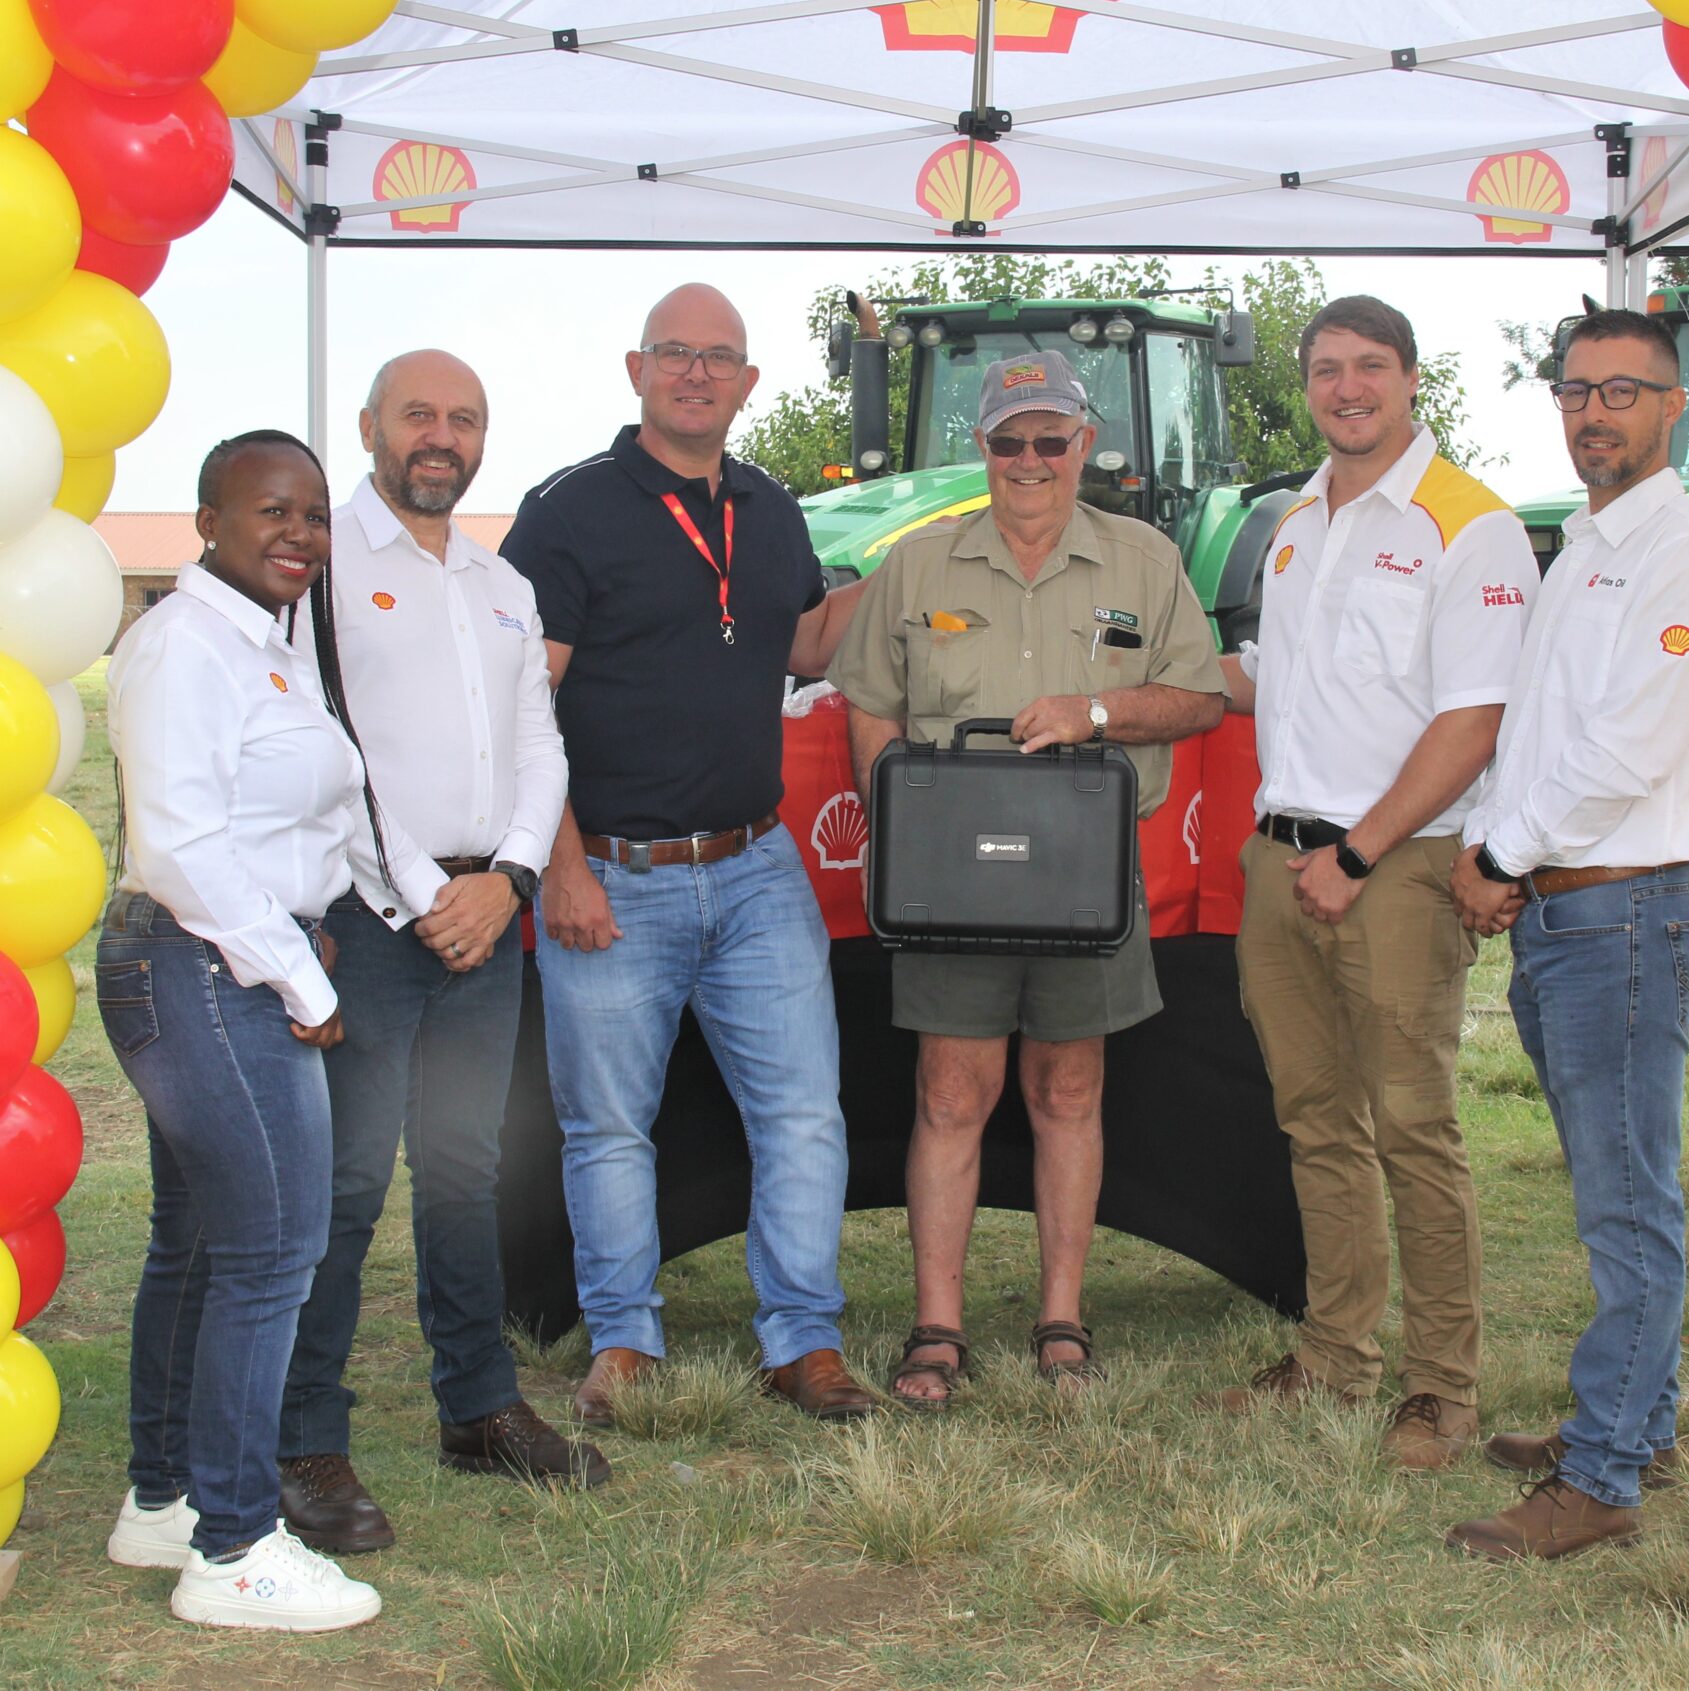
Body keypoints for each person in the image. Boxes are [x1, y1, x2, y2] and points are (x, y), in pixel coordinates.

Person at [96, 430, 457, 1631]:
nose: (299, 535)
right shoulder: (181, 645)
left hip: (226, 961)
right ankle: (237, 1549)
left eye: (312, 515)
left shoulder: (269, 646)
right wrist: (303, 981)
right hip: (203, 967)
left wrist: (431, 902)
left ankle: (165, 1501)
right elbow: (178, 848)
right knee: (271, 1257)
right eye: (271, 511)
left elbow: (339, 814)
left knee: (202, 1247)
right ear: (208, 522)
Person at [498, 284, 875, 1425]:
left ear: (749, 383)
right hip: (612, 875)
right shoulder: (566, 511)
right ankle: (624, 1341)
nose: (696, 373)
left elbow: (802, 641)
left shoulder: (770, 507)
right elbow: (519, 707)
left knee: (804, 1116)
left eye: (719, 357)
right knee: (610, 1129)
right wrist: (561, 867)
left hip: (758, 869)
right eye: (675, 353)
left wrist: (914, 568)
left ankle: (803, 1343)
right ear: (637, 370)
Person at [828, 350, 1225, 1408]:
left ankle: (1061, 1319)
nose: (1031, 459)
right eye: (1010, 440)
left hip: (1083, 877)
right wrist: (897, 827)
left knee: (1068, 1091)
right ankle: (937, 1327)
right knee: (949, 1095)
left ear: (1085, 443)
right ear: (984, 447)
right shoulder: (918, 565)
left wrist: (1098, 713)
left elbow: (1199, 698)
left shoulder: (1145, 561)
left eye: (1052, 437)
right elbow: (869, 699)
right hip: (951, 883)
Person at [273, 351, 601, 1561]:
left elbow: (540, 745)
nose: (441, 437)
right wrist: (428, 895)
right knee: (348, 1181)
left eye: (464, 419)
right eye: (419, 414)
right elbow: (326, 746)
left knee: (468, 1170)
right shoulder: (321, 568)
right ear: (369, 426)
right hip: (368, 919)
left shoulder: (501, 582)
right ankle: (305, 1437)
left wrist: (509, 879)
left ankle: (477, 1408)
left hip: (484, 915)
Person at [1207, 298, 1538, 1467]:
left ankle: (1440, 1389)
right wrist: (1135, 673)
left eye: (1370, 367)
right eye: (1325, 370)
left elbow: (1474, 719)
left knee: (1412, 1128)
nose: (1346, 388)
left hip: (1391, 866)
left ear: (1410, 381)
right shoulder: (1298, 519)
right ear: (1305, 385)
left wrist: (1354, 856)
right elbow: (1277, 678)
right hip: (1281, 858)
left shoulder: (1471, 525)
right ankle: (1335, 1355)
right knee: (1315, 1124)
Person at [1445, 307, 1689, 1561]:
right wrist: (1502, 853)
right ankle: (1640, 1423)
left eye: (1622, 392)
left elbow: (1628, 749)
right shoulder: (1580, 547)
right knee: (1611, 1189)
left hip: (1626, 910)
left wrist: (1497, 857)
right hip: (1568, 910)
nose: (1593, 414)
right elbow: (1538, 738)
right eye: (1575, 391)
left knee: (1628, 1207)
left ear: (1673, 406)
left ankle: (1605, 1477)